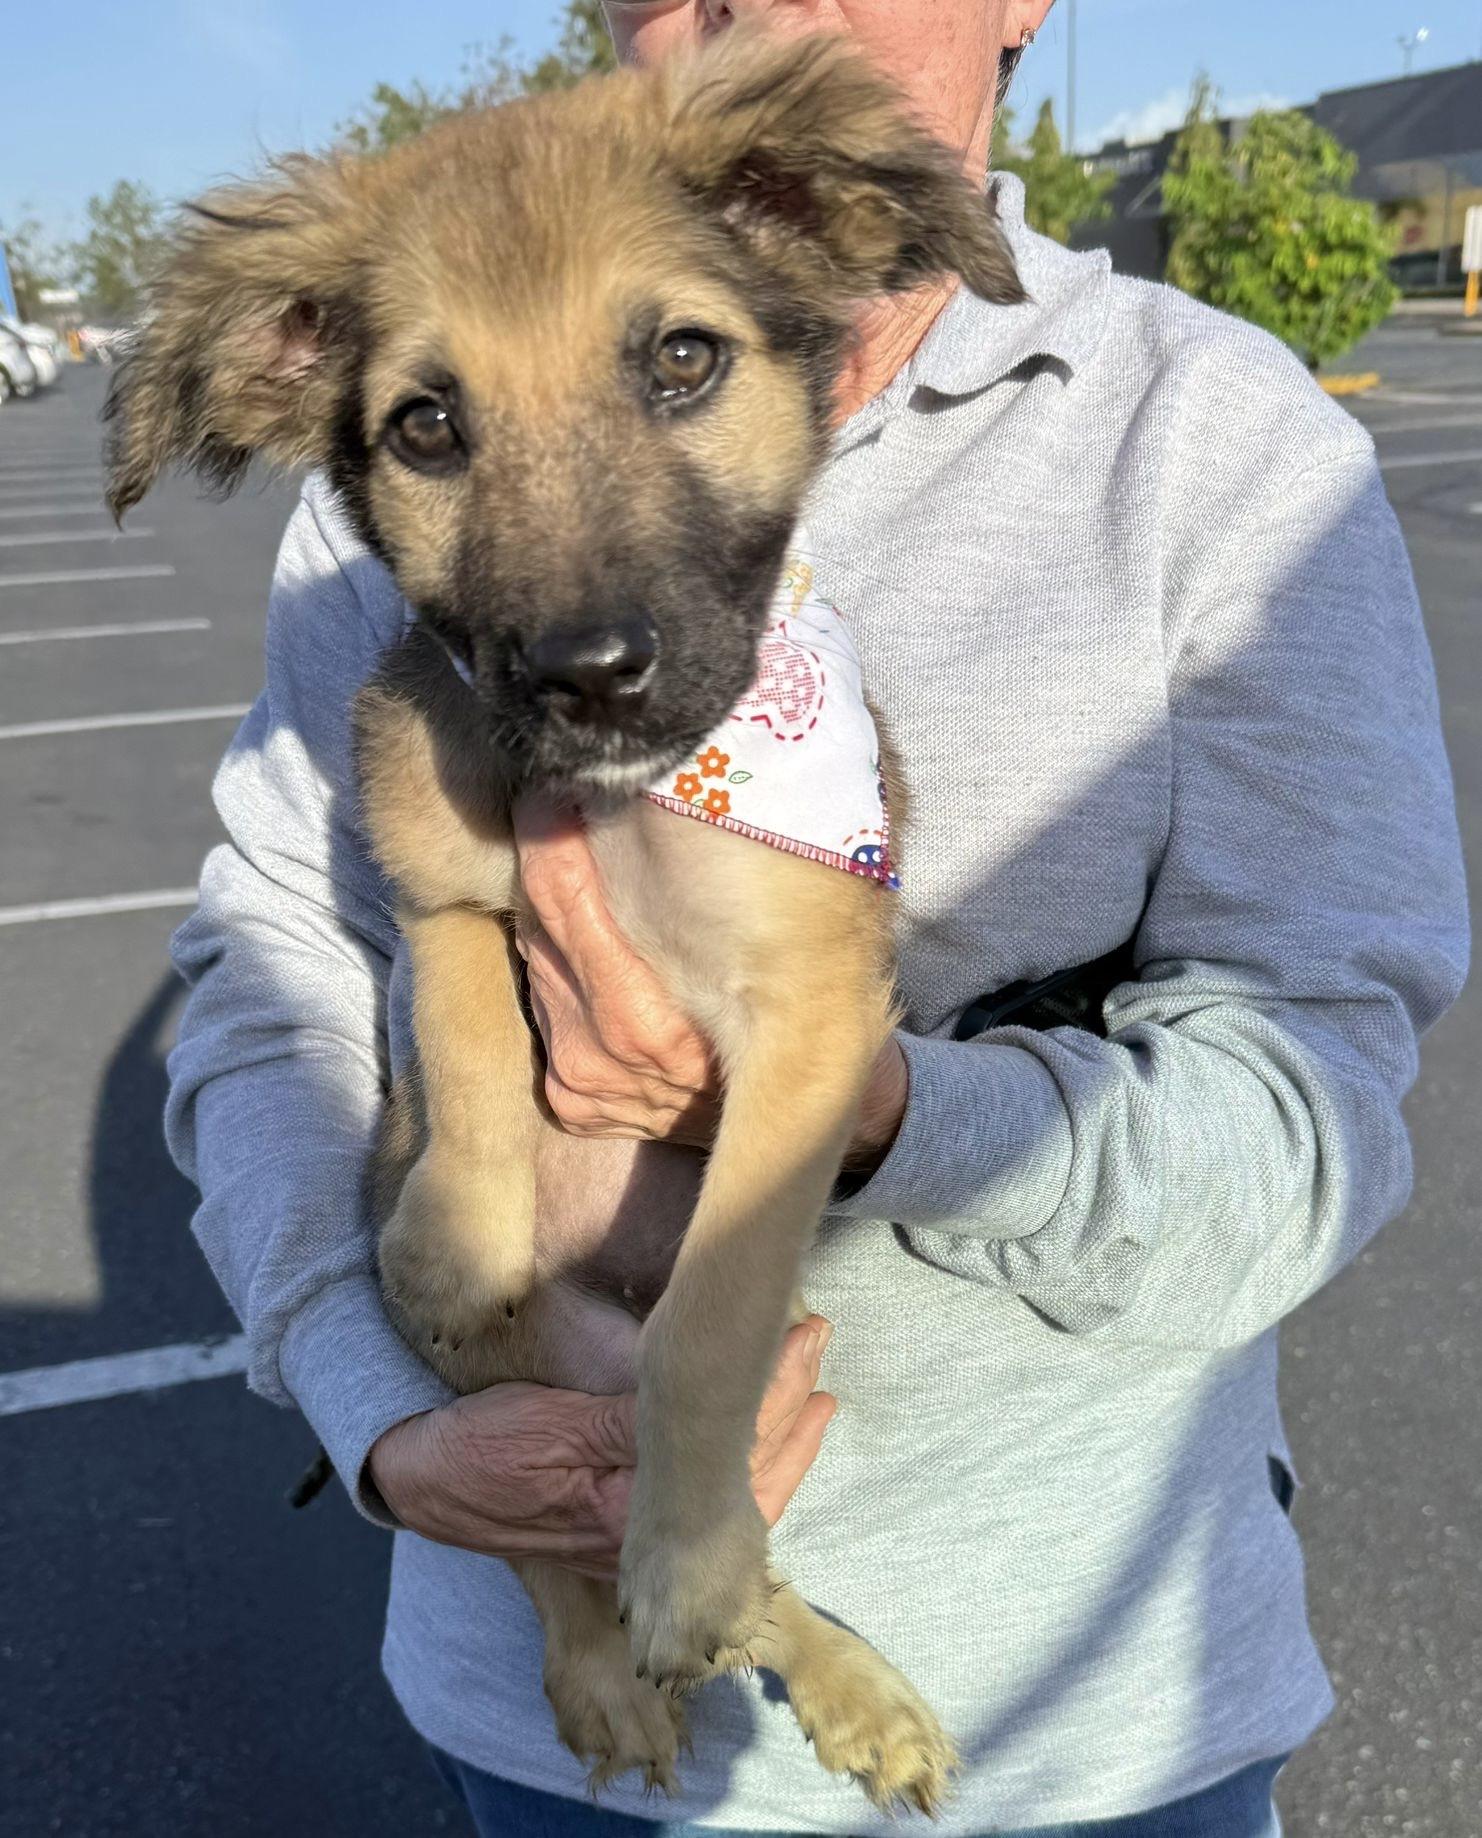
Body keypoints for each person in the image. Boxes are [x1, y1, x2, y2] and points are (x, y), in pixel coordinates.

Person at [162, 2, 1468, 1835]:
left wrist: (878, 1111)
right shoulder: (364, 505)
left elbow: (1310, 1124)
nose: (753, 5)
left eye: (681, 361)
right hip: (551, 1722)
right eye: (436, 429)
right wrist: (376, 1404)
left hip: (1086, 1728)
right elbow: (270, 980)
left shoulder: (1215, 443)